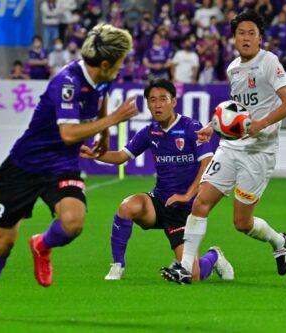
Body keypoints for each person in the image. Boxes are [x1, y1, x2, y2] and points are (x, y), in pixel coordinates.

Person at [0, 23, 138, 320]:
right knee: (4, 242)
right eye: (120, 60)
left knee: (73, 222)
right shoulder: (67, 82)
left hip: (61, 166)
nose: (122, 65)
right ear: (104, 63)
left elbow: (101, 95)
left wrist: (105, 133)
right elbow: (68, 134)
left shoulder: (102, 75)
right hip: (24, 167)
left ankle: (41, 245)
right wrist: (113, 118)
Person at [161, 10, 286, 285]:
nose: (246, 38)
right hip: (232, 147)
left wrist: (261, 124)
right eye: (241, 33)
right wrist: (213, 126)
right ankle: (185, 267)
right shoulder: (233, 68)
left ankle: (279, 240)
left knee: (242, 223)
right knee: (200, 203)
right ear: (233, 38)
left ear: (260, 38)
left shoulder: (269, 62)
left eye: (251, 33)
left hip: (259, 152)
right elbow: (236, 111)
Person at [80, 78, 234, 282]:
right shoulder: (149, 132)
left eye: (163, 99)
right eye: (152, 100)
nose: (157, 104)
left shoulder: (191, 127)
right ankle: (117, 265)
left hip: (183, 209)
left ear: (174, 102)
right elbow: (121, 157)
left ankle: (213, 257)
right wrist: (95, 154)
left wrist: (187, 195)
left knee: (194, 275)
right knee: (127, 207)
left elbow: (207, 165)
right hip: (159, 202)